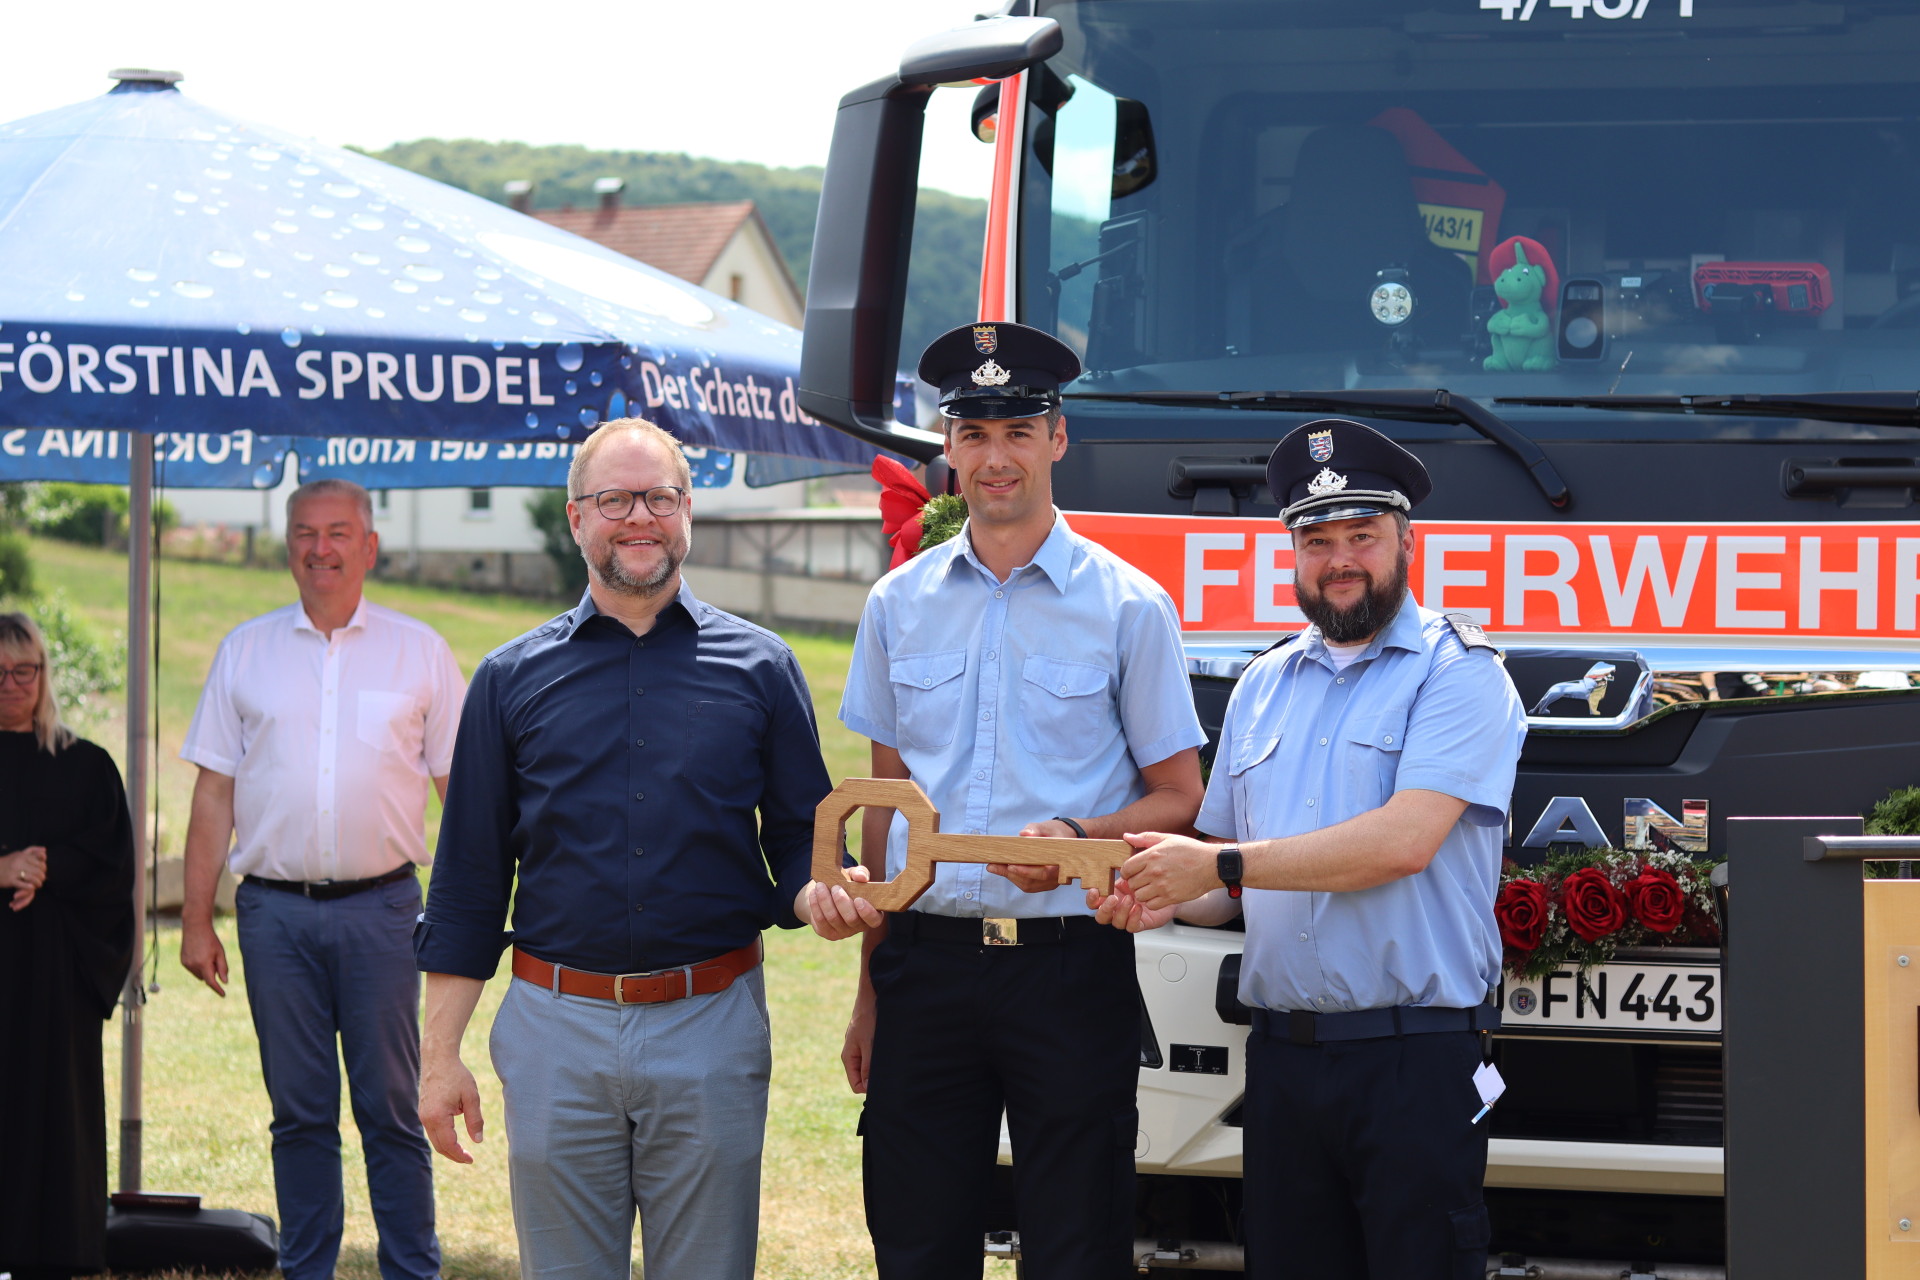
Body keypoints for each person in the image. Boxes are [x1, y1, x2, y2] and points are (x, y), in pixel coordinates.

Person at [807, 321, 1207, 1280]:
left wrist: (1077, 836)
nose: (996, 457)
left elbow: (1179, 798)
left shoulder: (1129, 606)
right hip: (926, 969)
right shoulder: (896, 604)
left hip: (1067, 973)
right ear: (948, 446)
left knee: (1077, 1247)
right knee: (915, 1242)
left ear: (1058, 438)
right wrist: (870, 991)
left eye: (1018, 431)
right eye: (975, 432)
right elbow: (885, 816)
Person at [1100, 419, 1527, 1280]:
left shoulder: (1460, 672)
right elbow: (1222, 885)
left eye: (1362, 536)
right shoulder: (1262, 685)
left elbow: (1401, 843)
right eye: (1317, 541)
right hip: (1284, 1064)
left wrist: (1219, 866)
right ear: (1293, 554)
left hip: (1414, 1059)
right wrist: (1148, 889)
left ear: (1407, 541)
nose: (1340, 560)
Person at [415, 417, 838, 1280]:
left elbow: (801, 835)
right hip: (554, 1034)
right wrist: (438, 1057)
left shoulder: (764, 668)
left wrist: (814, 892)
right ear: (577, 518)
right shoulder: (507, 679)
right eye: (615, 500)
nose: (639, 517)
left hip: (711, 1025)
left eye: (659, 497)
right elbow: (468, 880)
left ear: (688, 513)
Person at [179, 478, 463, 1280]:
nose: (321, 548)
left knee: (393, 1110)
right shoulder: (245, 651)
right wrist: (195, 921)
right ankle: (307, 1271)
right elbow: (213, 794)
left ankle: (411, 1270)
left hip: (384, 912)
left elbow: (463, 794)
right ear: (288, 547)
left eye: (338, 532)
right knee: (299, 1115)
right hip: (275, 919)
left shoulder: (420, 651)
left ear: (369, 546)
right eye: (305, 532)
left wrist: (472, 913)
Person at [0, 612, 134, 1280]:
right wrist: (3, 867)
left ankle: (55, 1250)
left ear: (45, 674)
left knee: (54, 1115)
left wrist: (48, 866)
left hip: (55, 978)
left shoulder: (86, 766)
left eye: (23, 670)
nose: (10, 684)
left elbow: (114, 866)